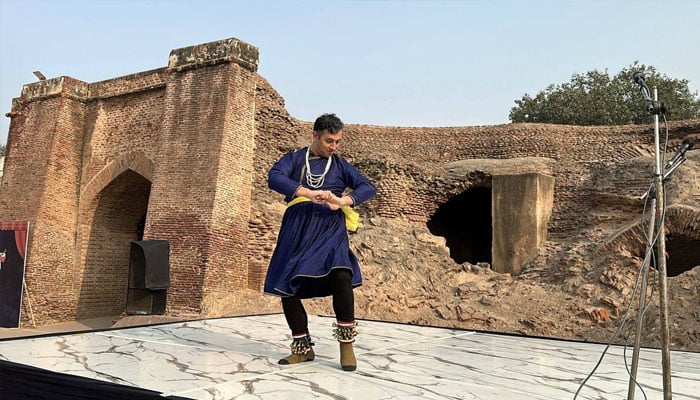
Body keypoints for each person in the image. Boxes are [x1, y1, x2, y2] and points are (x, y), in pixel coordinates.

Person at [264, 113, 376, 371]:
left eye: (337, 141)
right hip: (298, 227)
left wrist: (343, 201)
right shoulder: (293, 159)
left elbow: (367, 186)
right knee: (287, 285)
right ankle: (302, 348)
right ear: (314, 135)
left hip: (330, 228)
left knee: (341, 275)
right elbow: (275, 178)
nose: (333, 146)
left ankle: (346, 347)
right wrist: (308, 192)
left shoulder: (340, 165)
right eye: (328, 141)